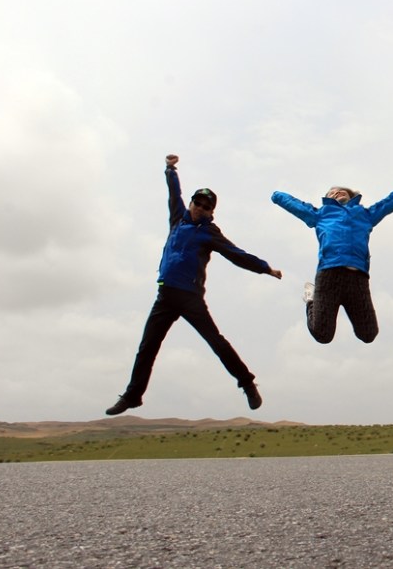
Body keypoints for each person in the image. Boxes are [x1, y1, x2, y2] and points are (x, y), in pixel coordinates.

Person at [106, 155, 283, 416]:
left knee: (216, 341)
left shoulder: (209, 232)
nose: (199, 208)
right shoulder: (178, 219)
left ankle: (247, 383)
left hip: (190, 297)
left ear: (211, 212)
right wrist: (170, 169)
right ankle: (133, 396)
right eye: (197, 203)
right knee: (147, 347)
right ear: (191, 203)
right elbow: (173, 193)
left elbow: (236, 254)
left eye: (205, 206)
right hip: (165, 294)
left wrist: (265, 268)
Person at [271, 181, 393, 343]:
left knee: (368, 334)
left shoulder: (365, 214)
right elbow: (296, 205)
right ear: (327, 199)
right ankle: (311, 299)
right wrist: (276, 195)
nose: (337, 192)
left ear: (351, 196)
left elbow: (387, 204)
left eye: (341, 191)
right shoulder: (321, 214)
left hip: (358, 279)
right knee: (323, 335)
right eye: (332, 192)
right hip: (329, 275)